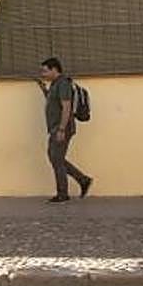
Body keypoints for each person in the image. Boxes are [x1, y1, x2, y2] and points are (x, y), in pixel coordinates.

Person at [38, 57, 93, 203]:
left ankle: (63, 194)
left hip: (62, 127)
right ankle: (83, 180)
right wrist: (44, 89)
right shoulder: (56, 84)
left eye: (45, 71)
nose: (43, 74)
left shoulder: (63, 83)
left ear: (54, 69)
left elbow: (66, 106)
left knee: (56, 159)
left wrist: (62, 129)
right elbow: (53, 101)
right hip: (56, 127)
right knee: (56, 158)